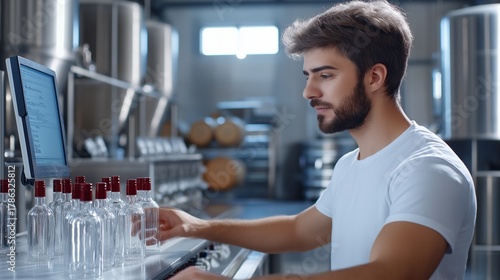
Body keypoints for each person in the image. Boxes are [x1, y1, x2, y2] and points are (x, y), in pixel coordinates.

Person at [158, 1, 477, 279]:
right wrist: (197, 226)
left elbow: (391, 273)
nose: (308, 92)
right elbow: (299, 230)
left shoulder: (427, 168)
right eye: (308, 76)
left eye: (325, 75)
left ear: (375, 77)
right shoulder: (350, 165)